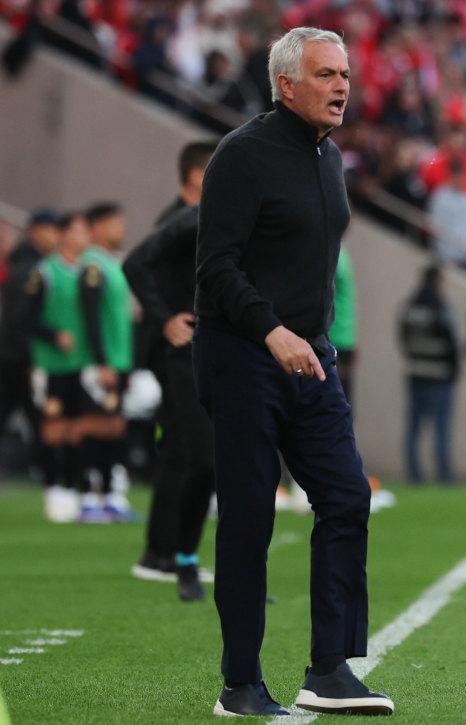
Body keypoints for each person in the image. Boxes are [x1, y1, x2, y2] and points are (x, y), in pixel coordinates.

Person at [193, 27, 393, 717]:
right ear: (285, 83)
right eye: (326, 74)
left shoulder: (329, 157)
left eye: (346, 74)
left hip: (311, 356)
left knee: (347, 496)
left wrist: (311, 335)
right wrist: (270, 329)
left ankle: (330, 669)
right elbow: (214, 267)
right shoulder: (241, 155)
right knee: (249, 518)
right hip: (242, 354)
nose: (342, 86)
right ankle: (239, 683)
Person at [123, 140, 219, 601]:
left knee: (182, 451)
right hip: (175, 352)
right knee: (192, 453)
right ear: (198, 175)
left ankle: (164, 553)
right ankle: (166, 554)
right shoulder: (182, 219)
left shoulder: (198, 216)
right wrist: (166, 319)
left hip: (187, 350)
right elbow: (137, 266)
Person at [23, 212, 92, 523]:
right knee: (53, 427)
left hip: (79, 362)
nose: (83, 238)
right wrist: (53, 336)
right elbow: (25, 318)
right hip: (50, 364)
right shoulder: (45, 272)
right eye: (77, 231)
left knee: (76, 428)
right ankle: (52, 488)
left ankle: (71, 485)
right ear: (63, 235)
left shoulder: (87, 272)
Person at [78, 202, 134, 522]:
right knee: (95, 426)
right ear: (97, 227)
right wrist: (101, 361)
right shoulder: (93, 265)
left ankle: (111, 495)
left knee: (114, 427)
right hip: (103, 361)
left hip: (119, 358)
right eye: (114, 223)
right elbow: (91, 316)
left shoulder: (111, 263)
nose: (120, 229)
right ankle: (89, 496)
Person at [0, 209, 57, 486]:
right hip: (19, 358)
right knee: (42, 418)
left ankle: (51, 475)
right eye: (51, 229)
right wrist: (33, 356)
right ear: (36, 231)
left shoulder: (31, 263)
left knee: (38, 418)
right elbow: (20, 319)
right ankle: (51, 476)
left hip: (15, 356)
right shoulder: (31, 268)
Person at [399, 265, 460, 484]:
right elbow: (453, 343)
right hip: (440, 375)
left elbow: (403, 338)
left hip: (416, 373)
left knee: (414, 428)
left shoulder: (410, 308)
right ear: (437, 281)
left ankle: (414, 473)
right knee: (441, 429)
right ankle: (444, 474)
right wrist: (454, 371)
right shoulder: (441, 308)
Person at [330, 246, 358, 409]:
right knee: (339, 404)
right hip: (339, 339)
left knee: (339, 404)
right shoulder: (339, 254)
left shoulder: (337, 254)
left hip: (339, 340)